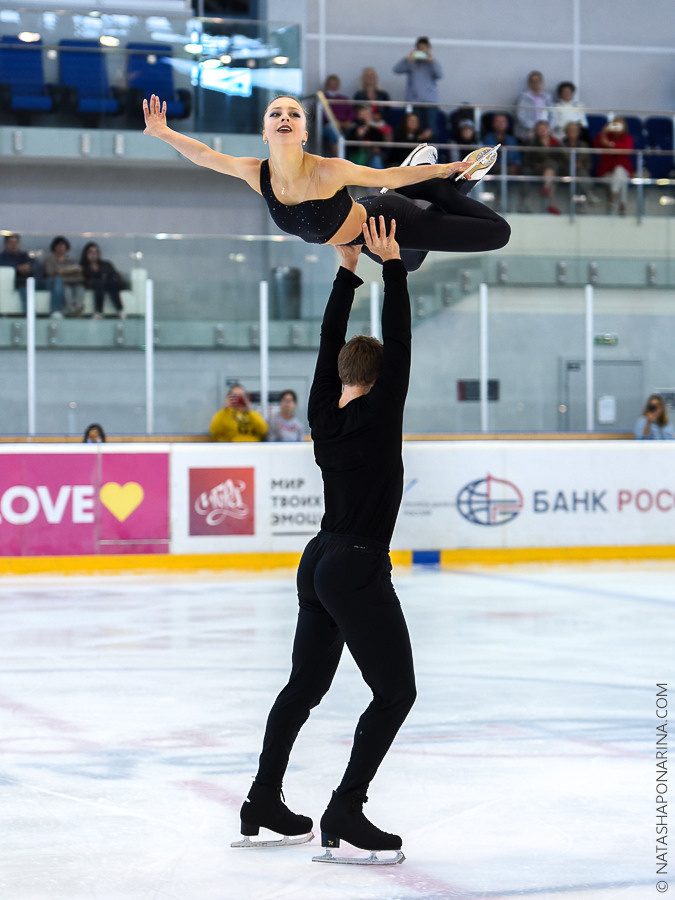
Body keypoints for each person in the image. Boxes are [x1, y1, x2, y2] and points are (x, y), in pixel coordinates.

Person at [232, 217, 414, 865]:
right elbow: (398, 338)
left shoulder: (319, 410)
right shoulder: (382, 408)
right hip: (357, 565)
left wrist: (346, 268)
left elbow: (327, 340)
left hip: (316, 561)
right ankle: (345, 807)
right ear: (383, 376)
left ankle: (263, 799)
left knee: (302, 687)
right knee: (395, 693)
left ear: (340, 372)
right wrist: (390, 267)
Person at [142, 93, 510, 274]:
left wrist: (439, 170)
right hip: (359, 239)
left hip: (385, 218)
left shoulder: (330, 170)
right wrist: (162, 132)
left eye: (293, 114)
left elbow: (387, 177)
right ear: (265, 132)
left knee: (498, 233)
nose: (284, 117)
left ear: (304, 132)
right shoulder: (257, 173)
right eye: (275, 114)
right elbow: (206, 155)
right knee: (408, 266)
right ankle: (446, 188)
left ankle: (439, 187)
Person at [0, 233, 64, 316]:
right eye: (11, 243)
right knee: (25, 288)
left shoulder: (25, 255)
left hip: (35, 280)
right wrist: (17, 268)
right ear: (6, 244)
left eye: (15, 243)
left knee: (57, 280)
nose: (13, 245)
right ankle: (30, 315)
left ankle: (56, 312)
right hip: (20, 283)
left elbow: (37, 266)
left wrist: (30, 268)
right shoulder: (2, 257)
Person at [392, 37, 443, 133]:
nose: (422, 51)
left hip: (430, 103)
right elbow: (396, 70)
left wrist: (432, 60)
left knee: (431, 129)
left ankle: (432, 148)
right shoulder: (411, 62)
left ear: (428, 49)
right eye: (420, 48)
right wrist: (406, 59)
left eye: (424, 48)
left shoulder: (432, 63)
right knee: (412, 129)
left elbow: (440, 75)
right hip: (413, 102)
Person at [522, 120, 564, 214]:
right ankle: (552, 204)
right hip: (537, 170)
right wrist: (538, 164)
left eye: (544, 128)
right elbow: (527, 159)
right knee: (551, 173)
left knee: (551, 166)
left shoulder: (556, 143)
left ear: (549, 130)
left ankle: (546, 189)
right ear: (536, 131)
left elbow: (563, 158)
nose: (542, 131)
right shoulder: (532, 143)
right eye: (540, 129)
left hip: (553, 170)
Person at [594, 118, 634, 215]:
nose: (617, 128)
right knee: (621, 178)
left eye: (620, 126)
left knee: (620, 172)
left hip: (622, 173)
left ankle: (612, 198)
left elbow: (625, 150)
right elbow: (596, 144)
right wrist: (604, 131)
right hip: (606, 174)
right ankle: (623, 205)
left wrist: (610, 145)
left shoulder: (628, 138)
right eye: (615, 125)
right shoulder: (605, 136)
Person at [79, 242, 126, 318]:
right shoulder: (83, 267)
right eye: (90, 252)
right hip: (94, 285)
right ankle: (99, 311)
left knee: (112, 283)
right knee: (99, 283)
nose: (93, 254)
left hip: (109, 284)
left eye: (95, 252)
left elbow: (114, 274)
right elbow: (85, 280)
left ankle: (120, 310)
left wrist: (104, 276)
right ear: (86, 253)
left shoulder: (106, 264)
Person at [41, 236, 84, 317]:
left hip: (73, 283)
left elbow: (79, 276)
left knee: (80, 288)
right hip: (58, 284)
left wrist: (63, 271)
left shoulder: (71, 261)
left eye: (63, 246)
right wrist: (69, 272)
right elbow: (50, 273)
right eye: (58, 246)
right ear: (54, 247)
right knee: (66, 289)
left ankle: (78, 308)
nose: (61, 248)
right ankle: (69, 309)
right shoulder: (49, 260)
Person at [320, 74, 355, 157]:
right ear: (326, 86)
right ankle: (340, 160)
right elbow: (322, 115)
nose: (333, 87)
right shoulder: (322, 100)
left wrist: (346, 123)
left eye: (335, 84)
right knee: (334, 131)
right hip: (329, 126)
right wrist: (336, 123)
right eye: (331, 84)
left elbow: (352, 113)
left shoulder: (344, 99)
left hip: (345, 125)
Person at [515, 70, 553, 143]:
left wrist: (548, 128)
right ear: (529, 83)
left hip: (547, 129)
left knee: (557, 138)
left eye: (538, 80)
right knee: (532, 138)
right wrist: (537, 128)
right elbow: (521, 116)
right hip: (530, 129)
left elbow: (553, 114)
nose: (536, 83)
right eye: (533, 81)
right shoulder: (523, 98)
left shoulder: (548, 97)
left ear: (542, 82)